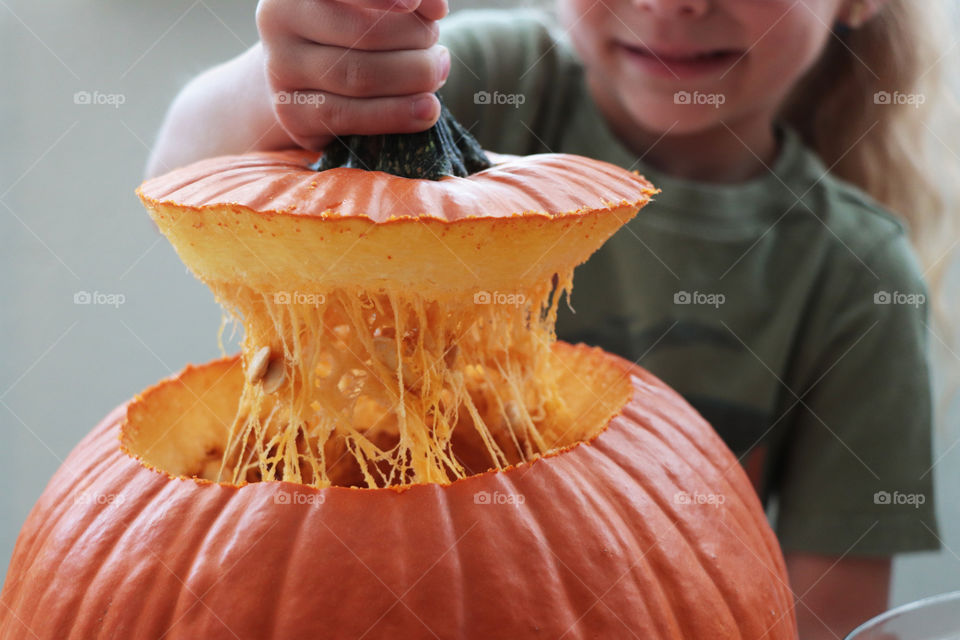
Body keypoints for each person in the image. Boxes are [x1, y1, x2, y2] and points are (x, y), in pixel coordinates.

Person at [146, 0, 957, 636]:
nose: (670, 2)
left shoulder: (856, 276)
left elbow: (830, 618)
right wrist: (292, 73)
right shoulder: (484, 76)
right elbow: (189, 173)